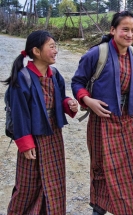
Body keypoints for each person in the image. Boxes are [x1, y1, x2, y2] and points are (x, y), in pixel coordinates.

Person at [71, 11, 133, 215]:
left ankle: (129, 210)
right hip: (102, 119)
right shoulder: (97, 54)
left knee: (129, 167)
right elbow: (77, 81)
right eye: (125, 29)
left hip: (128, 119)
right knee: (101, 164)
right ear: (113, 30)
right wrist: (87, 100)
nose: (130, 34)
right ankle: (99, 205)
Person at [5, 30, 78, 215]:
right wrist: (25, 143)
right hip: (33, 138)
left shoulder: (55, 74)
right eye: (51, 47)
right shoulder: (23, 77)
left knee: (54, 182)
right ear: (36, 51)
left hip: (53, 135)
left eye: (56, 47)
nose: (56, 51)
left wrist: (68, 103)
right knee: (28, 185)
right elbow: (20, 113)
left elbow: (60, 98)